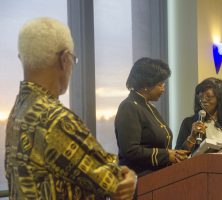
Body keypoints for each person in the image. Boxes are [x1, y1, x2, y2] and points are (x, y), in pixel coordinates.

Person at [5, 17, 136, 200]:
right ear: (64, 59)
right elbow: (116, 183)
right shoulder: (55, 119)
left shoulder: (18, 111)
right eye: (72, 60)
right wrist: (129, 177)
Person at [115, 57, 189, 177]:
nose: (163, 89)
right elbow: (130, 151)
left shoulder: (149, 107)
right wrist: (166, 155)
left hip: (158, 179)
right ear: (147, 84)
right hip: (140, 182)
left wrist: (175, 153)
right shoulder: (129, 107)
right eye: (160, 84)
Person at [175, 77, 222, 154]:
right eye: (200, 97)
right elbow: (178, 156)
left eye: (208, 97)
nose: (203, 100)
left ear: (220, 100)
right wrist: (191, 138)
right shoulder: (189, 123)